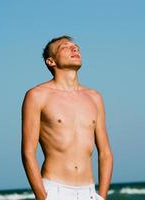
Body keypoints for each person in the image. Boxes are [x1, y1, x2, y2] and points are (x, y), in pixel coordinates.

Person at [21, 35, 113, 200]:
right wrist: (43, 197)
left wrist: (102, 196)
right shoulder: (37, 96)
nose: (75, 48)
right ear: (51, 61)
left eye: (76, 46)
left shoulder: (94, 97)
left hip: (90, 193)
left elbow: (105, 152)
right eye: (65, 47)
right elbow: (28, 152)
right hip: (55, 190)